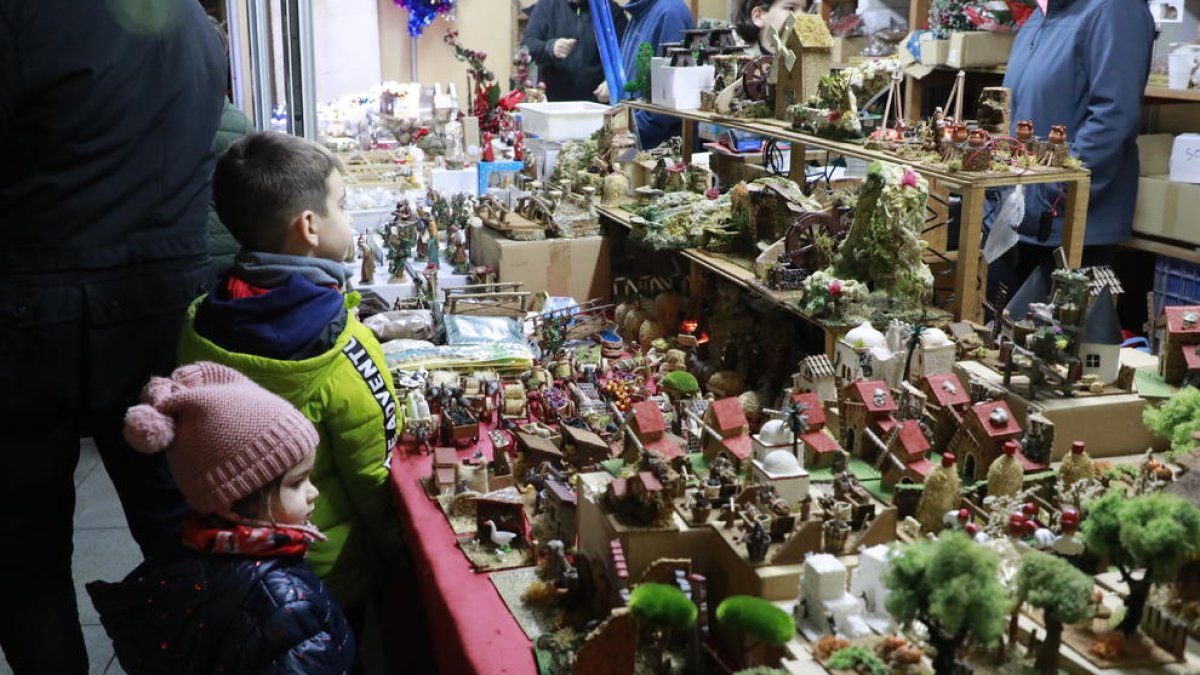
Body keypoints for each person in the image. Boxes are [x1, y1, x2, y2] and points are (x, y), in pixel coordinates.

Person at [0, 1, 225, 672]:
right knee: (179, 527)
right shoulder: (193, 23)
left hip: (32, 307)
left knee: (26, 549)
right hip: (163, 304)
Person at [176, 131, 409, 641]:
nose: (348, 219)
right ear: (308, 227)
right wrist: (400, 556)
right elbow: (374, 474)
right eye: (342, 206)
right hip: (323, 570)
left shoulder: (199, 323)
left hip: (231, 566)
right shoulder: (343, 348)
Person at [87, 362, 355, 674]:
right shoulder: (286, 609)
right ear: (233, 501)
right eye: (296, 482)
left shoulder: (191, 556)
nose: (313, 493)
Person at [989, 0, 1154, 296]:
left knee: (1057, 335)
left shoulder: (1115, 9)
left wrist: (1055, 190)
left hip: (1072, 226)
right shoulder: (1040, 19)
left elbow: (1113, 117)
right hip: (1021, 217)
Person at [596, 0, 695, 149]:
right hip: (634, 143)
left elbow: (673, 101)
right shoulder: (639, 13)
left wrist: (625, 131)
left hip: (661, 156)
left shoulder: (670, 13)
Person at [523, 0, 628, 102]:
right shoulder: (546, 5)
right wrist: (550, 47)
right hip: (554, 104)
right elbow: (527, 44)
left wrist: (613, 82)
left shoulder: (610, 10)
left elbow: (627, 54)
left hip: (597, 106)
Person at [732, 0, 811, 54]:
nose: (802, 17)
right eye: (791, 8)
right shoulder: (742, 64)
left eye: (805, 11)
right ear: (758, 16)